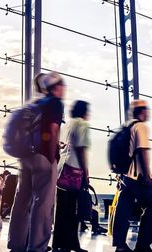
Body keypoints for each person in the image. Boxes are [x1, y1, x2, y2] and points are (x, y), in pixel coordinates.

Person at [8, 72, 65, 252]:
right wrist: (51, 157)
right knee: (43, 203)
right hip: (43, 157)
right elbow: (52, 129)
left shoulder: (33, 105)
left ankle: (16, 244)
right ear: (54, 87)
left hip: (26, 158)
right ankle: (37, 246)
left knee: (22, 201)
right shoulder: (54, 103)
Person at [111, 99, 152, 252]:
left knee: (123, 208)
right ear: (142, 111)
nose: (148, 113)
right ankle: (143, 245)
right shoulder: (141, 127)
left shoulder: (127, 127)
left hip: (125, 176)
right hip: (138, 175)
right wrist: (146, 174)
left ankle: (119, 245)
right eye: (147, 110)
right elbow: (142, 150)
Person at [52, 100, 90, 252]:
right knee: (73, 210)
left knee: (61, 208)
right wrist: (86, 173)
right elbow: (81, 150)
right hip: (73, 169)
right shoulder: (82, 124)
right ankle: (72, 243)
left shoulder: (67, 124)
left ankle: (58, 243)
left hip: (61, 168)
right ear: (84, 112)